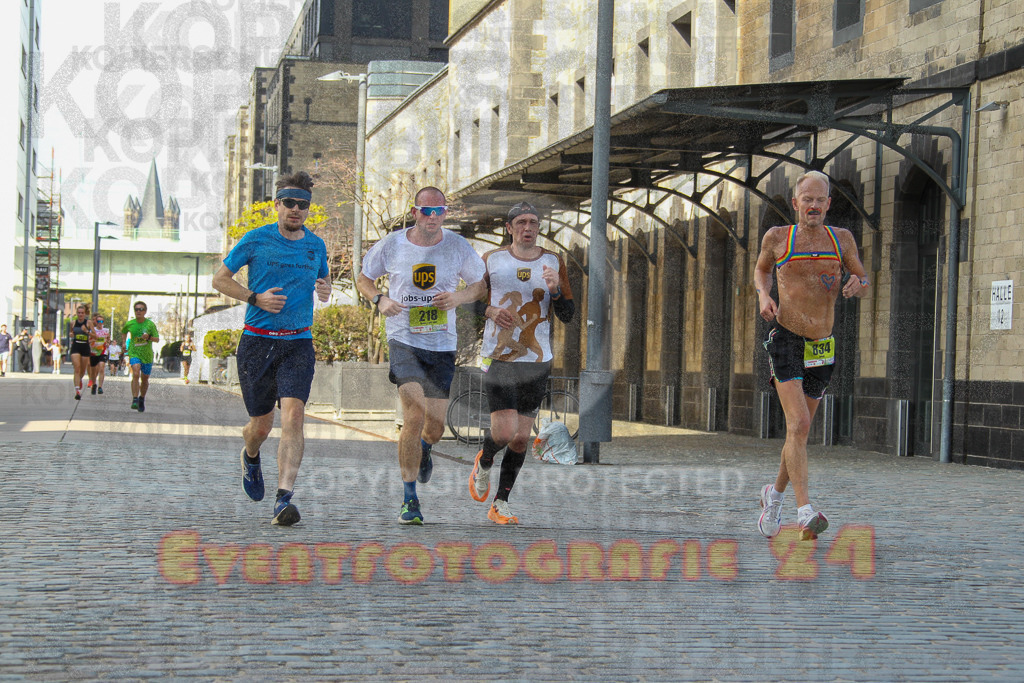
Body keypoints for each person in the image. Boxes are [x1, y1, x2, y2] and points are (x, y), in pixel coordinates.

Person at [358, 186, 487, 525]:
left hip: (441, 344)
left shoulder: (458, 246)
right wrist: (379, 300)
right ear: (414, 212)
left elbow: (480, 285)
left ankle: (427, 449)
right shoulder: (393, 244)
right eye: (425, 211)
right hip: (403, 339)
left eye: (439, 212)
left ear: (445, 214)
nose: (432, 217)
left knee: (435, 426)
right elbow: (364, 278)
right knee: (413, 416)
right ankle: (409, 499)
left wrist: (458, 298)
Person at [753, 170, 869, 540]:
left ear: (829, 204)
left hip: (822, 345)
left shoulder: (842, 239)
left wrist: (857, 283)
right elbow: (761, 270)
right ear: (796, 203)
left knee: (798, 433)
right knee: (799, 425)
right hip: (786, 337)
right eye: (808, 199)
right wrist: (764, 295)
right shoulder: (778, 237)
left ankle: (774, 497)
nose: (814, 205)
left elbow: (863, 280)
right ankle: (805, 511)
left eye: (820, 199)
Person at [212, 170, 331, 527]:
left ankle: (283, 498)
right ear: (277, 205)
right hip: (257, 344)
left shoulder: (316, 245)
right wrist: (254, 298)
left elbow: (322, 279)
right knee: (260, 427)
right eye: (290, 203)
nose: (296, 210)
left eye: (303, 205)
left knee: (294, 415)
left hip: (298, 343)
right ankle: (250, 455)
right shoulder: (255, 240)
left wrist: (324, 290)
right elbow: (220, 279)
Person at [469, 201, 575, 525]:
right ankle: (484, 461)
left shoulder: (553, 261)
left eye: (534, 222)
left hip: (537, 360)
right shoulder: (491, 260)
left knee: (519, 438)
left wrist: (555, 291)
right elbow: (468, 303)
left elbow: (568, 315)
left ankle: (500, 503)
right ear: (509, 227)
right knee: (503, 431)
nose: (528, 228)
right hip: (499, 356)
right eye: (522, 222)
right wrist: (489, 311)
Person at [121, 301, 160, 412]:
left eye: (141, 309)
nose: (139, 311)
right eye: (137, 309)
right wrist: (124, 343)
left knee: (145, 379)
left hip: (147, 355)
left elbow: (157, 339)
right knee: (136, 373)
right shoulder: (130, 323)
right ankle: (134, 399)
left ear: (145, 311)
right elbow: (124, 332)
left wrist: (148, 337)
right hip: (134, 353)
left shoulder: (150, 324)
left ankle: (141, 398)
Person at [68, 305, 91, 398]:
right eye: (79, 313)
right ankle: (77, 391)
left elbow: (95, 336)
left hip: (85, 347)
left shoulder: (88, 323)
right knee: (77, 368)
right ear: (76, 313)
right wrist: (71, 334)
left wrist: (87, 331)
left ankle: (80, 379)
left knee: (82, 370)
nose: (80, 315)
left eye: (82, 313)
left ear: (85, 314)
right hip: (76, 346)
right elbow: (71, 333)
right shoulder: (73, 323)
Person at [87, 313, 111, 395]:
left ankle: (100, 387)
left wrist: (108, 343)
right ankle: (94, 385)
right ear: (95, 322)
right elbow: (88, 341)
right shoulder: (92, 330)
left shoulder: (106, 330)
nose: (100, 323)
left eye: (102, 321)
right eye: (98, 321)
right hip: (94, 352)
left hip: (103, 351)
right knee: (93, 371)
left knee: (101, 367)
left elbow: (108, 340)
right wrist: (92, 341)